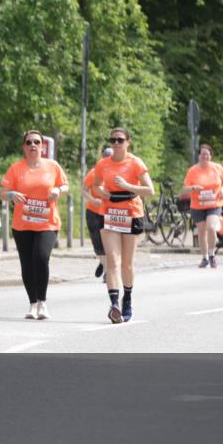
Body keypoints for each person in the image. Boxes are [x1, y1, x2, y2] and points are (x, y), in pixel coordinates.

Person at [0, 130, 69, 320]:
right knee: (27, 264)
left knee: (41, 256)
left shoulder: (52, 166)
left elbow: (65, 185)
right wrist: (12, 195)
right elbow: (3, 192)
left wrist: (58, 189)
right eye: (29, 142)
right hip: (22, 224)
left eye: (37, 142)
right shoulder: (16, 168)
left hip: (48, 222)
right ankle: (32, 304)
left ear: (42, 146)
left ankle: (43, 302)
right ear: (24, 147)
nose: (33, 145)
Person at [93, 127, 154, 323]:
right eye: (113, 140)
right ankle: (114, 305)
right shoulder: (103, 164)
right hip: (110, 212)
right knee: (112, 261)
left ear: (128, 142)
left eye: (120, 140)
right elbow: (95, 185)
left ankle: (127, 298)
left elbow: (149, 190)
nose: (116, 144)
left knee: (127, 264)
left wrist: (128, 186)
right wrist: (104, 193)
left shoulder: (135, 163)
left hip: (131, 211)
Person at [181, 144, 223, 268]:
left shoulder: (217, 168)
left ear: (210, 156)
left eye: (207, 154)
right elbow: (184, 189)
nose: (205, 157)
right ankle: (204, 258)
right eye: (202, 154)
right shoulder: (192, 171)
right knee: (201, 232)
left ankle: (212, 254)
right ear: (199, 156)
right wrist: (193, 188)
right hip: (197, 205)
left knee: (211, 227)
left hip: (214, 203)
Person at [82, 146, 113, 281]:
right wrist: (92, 199)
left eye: (110, 158)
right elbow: (83, 190)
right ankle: (104, 264)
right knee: (97, 242)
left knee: (110, 242)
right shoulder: (94, 173)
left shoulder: (117, 173)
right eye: (105, 157)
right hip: (94, 211)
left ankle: (106, 269)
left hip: (110, 212)